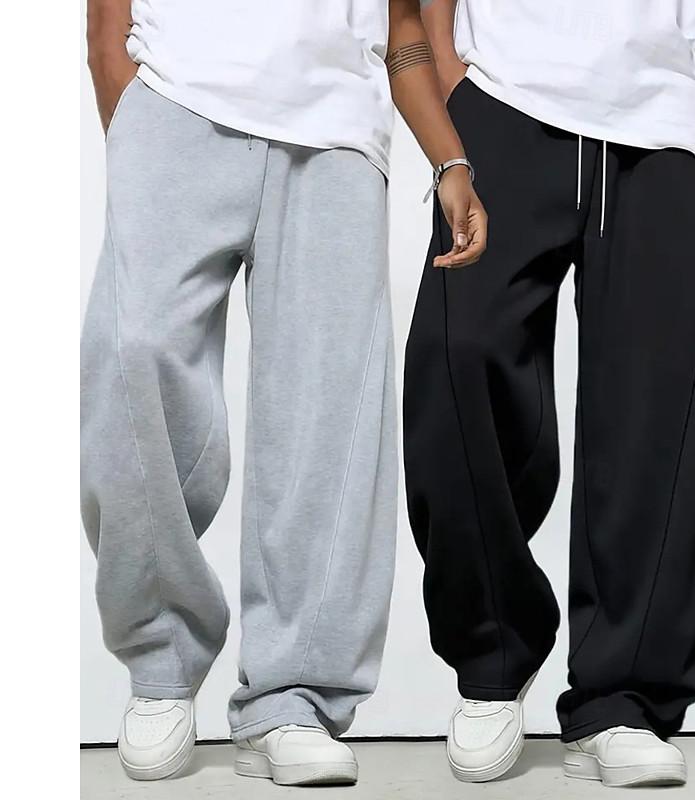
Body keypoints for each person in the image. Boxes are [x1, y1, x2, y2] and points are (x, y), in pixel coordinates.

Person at [81, 0, 486, 785]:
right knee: (131, 357)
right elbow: (106, 21)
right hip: (174, 100)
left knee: (326, 419)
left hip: (336, 132)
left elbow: (402, 24)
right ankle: (160, 661)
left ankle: (294, 696)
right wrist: (124, 112)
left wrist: (450, 161)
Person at [405, 0, 695, 787]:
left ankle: (623, 700)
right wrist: (452, 83)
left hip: (668, 117)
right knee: (458, 355)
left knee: (656, 417)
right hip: (504, 93)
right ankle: (492, 654)